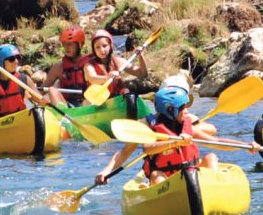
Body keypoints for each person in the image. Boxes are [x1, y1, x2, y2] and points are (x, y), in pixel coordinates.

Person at [94, 85, 232, 186]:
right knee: (155, 176)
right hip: (164, 178)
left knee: (211, 157)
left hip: (192, 172)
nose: (187, 111)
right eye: (182, 107)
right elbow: (139, 150)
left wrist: (248, 145)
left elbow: (216, 141)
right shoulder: (148, 127)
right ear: (170, 109)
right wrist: (106, 172)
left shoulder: (187, 126)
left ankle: (215, 188)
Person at [84, 28, 148, 101]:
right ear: (94, 49)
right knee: (87, 102)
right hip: (98, 101)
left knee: (127, 92)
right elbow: (92, 78)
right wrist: (107, 77)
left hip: (116, 100)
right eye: (97, 47)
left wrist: (141, 57)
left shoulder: (118, 61)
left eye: (104, 46)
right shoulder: (89, 65)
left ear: (110, 46)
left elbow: (143, 74)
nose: (102, 50)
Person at [0, 43, 39, 118]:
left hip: (18, 120)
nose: (16, 61)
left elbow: (40, 99)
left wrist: (45, 101)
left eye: (18, 58)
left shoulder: (24, 79)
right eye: (11, 59)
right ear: (0, 62)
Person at [42, 26, 89, 107]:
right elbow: (41, 90)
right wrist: (31, 93)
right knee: (52, 90)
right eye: (64, 44)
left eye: (70, 44)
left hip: (88, 104)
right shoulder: (58, 67)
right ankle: (62, 115)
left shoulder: (90, 63)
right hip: (68, 106)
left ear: (80, 44)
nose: (66, 47)